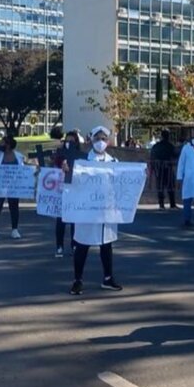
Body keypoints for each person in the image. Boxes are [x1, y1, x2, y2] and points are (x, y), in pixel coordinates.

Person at [69, 126, 123, 295]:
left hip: (105, 211)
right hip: (86, 211)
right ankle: (78, 280)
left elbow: (122, 183)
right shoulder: (82, 161)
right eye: (97, 138)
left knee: (106, 245)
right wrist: (66, 171)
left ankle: (108, 278)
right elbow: (72, 182)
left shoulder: (113, 162)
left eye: (104, 139)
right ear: (91, 140)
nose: (101, 142)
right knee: (82, 245)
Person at [54, 129, 83, 257]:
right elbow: (52, 171)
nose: (69, 143)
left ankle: (74, 244)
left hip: (75, 190)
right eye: (67, 140)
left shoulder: (80, 156)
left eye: (72, 141)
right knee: (60, 220)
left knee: (74, 220)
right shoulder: (59, 155)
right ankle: (59, 246)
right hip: (61, 190)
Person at [0, 134, 23, 241]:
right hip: (0, 185)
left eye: (2, 143)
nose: (0, 144)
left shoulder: (18, 156)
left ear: (8, 145)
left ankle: (14, 229)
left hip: (14, 185)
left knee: (14, 207)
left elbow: (23, 168)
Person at [149, 129, 178, 209]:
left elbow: (152, 157)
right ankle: (172, 204)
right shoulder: (170, 146)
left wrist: (154, 167)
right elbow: (175, 155)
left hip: (159, 169)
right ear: (168, 136)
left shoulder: (156, 146)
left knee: (160, 186)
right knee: (170, 186)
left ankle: (161, 204)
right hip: (168, 168)